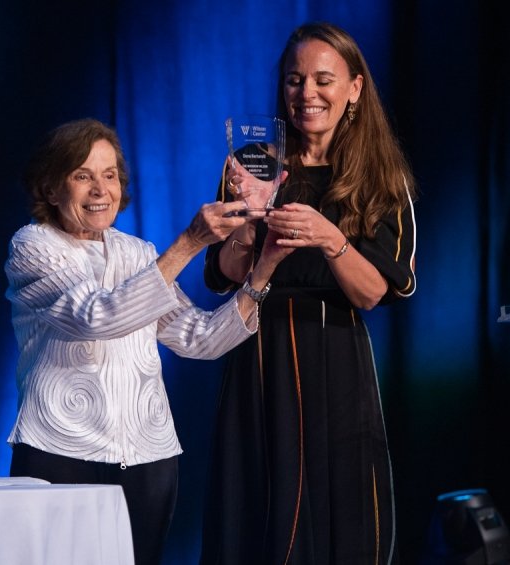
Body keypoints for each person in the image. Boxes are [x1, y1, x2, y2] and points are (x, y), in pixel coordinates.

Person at [4, 118, 289, 565]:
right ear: (51, 188)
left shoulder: (136, 252)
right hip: (60, 454)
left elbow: (200, 338)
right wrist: (191, 242)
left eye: (110, 175)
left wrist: (264, 267)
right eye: (82, 175)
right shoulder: (33, 246)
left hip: (148, 459)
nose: (100, 190)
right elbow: (97, 316)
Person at [200, 22, 418, 565]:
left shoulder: (381, 178)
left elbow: (373, 294)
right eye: (295, 80)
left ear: (355, 89)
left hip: (335, 355)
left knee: (338, 504)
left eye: (323, 79)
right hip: (256, 346)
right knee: (255, 501)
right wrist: (249, 221)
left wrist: (331, 239)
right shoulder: (254, 161)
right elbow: (222, 272)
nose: (307, 94)